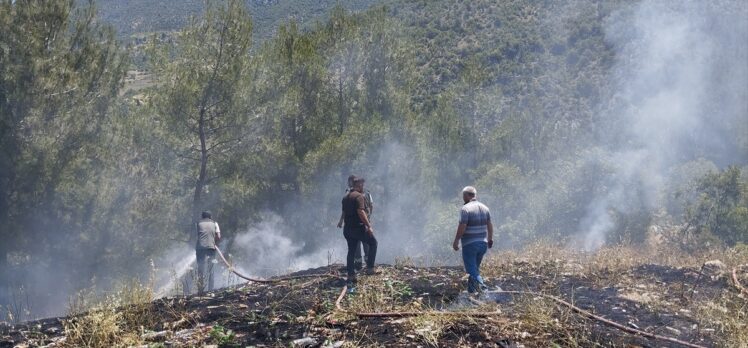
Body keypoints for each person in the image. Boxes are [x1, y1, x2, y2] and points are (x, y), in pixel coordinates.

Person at [452, 186, 494, 294]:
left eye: (463, 196)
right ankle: (472, 292)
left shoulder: (465, 209)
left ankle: (484, 291)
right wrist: (490, 239)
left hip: (470, 244)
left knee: (471, 270)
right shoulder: (485, 208)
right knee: (474, 269)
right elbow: (490, 225)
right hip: (483, 244)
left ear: (466, 195)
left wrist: (456, 240)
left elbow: (462, 226)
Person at [341, 176, 379, 292]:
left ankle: (351, 275)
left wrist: (340, 222)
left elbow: (344, 212)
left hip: (347, 229)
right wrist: (368, 225)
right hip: (358, 228)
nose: (363, 186)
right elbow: (361, 212)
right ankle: (370, 268)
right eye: (362, 184)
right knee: (373, 243)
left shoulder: (345, 197)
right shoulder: (359, 196)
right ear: (358, 185)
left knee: (351, 251)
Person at [337, 175, 374, 270]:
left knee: (366, 245)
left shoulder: (365, 193)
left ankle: (366, 264)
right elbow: (345, 210)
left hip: (361, 223)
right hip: (356, 224)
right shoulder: (348, 194)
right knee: (357, 246)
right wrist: (341, 220)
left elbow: (370, 206)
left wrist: (368, 219)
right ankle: (359, 266)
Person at [195, 211, 221, 295]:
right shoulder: (215, 223)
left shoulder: (198, 223)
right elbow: (218, 236)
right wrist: (214, 242)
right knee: (211, 269)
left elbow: (197, 235)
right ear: (210, 217)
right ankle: (210, 290)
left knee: (200, 269)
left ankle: (200, 290)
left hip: (200, 248)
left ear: (202, 217)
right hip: (211, 248)